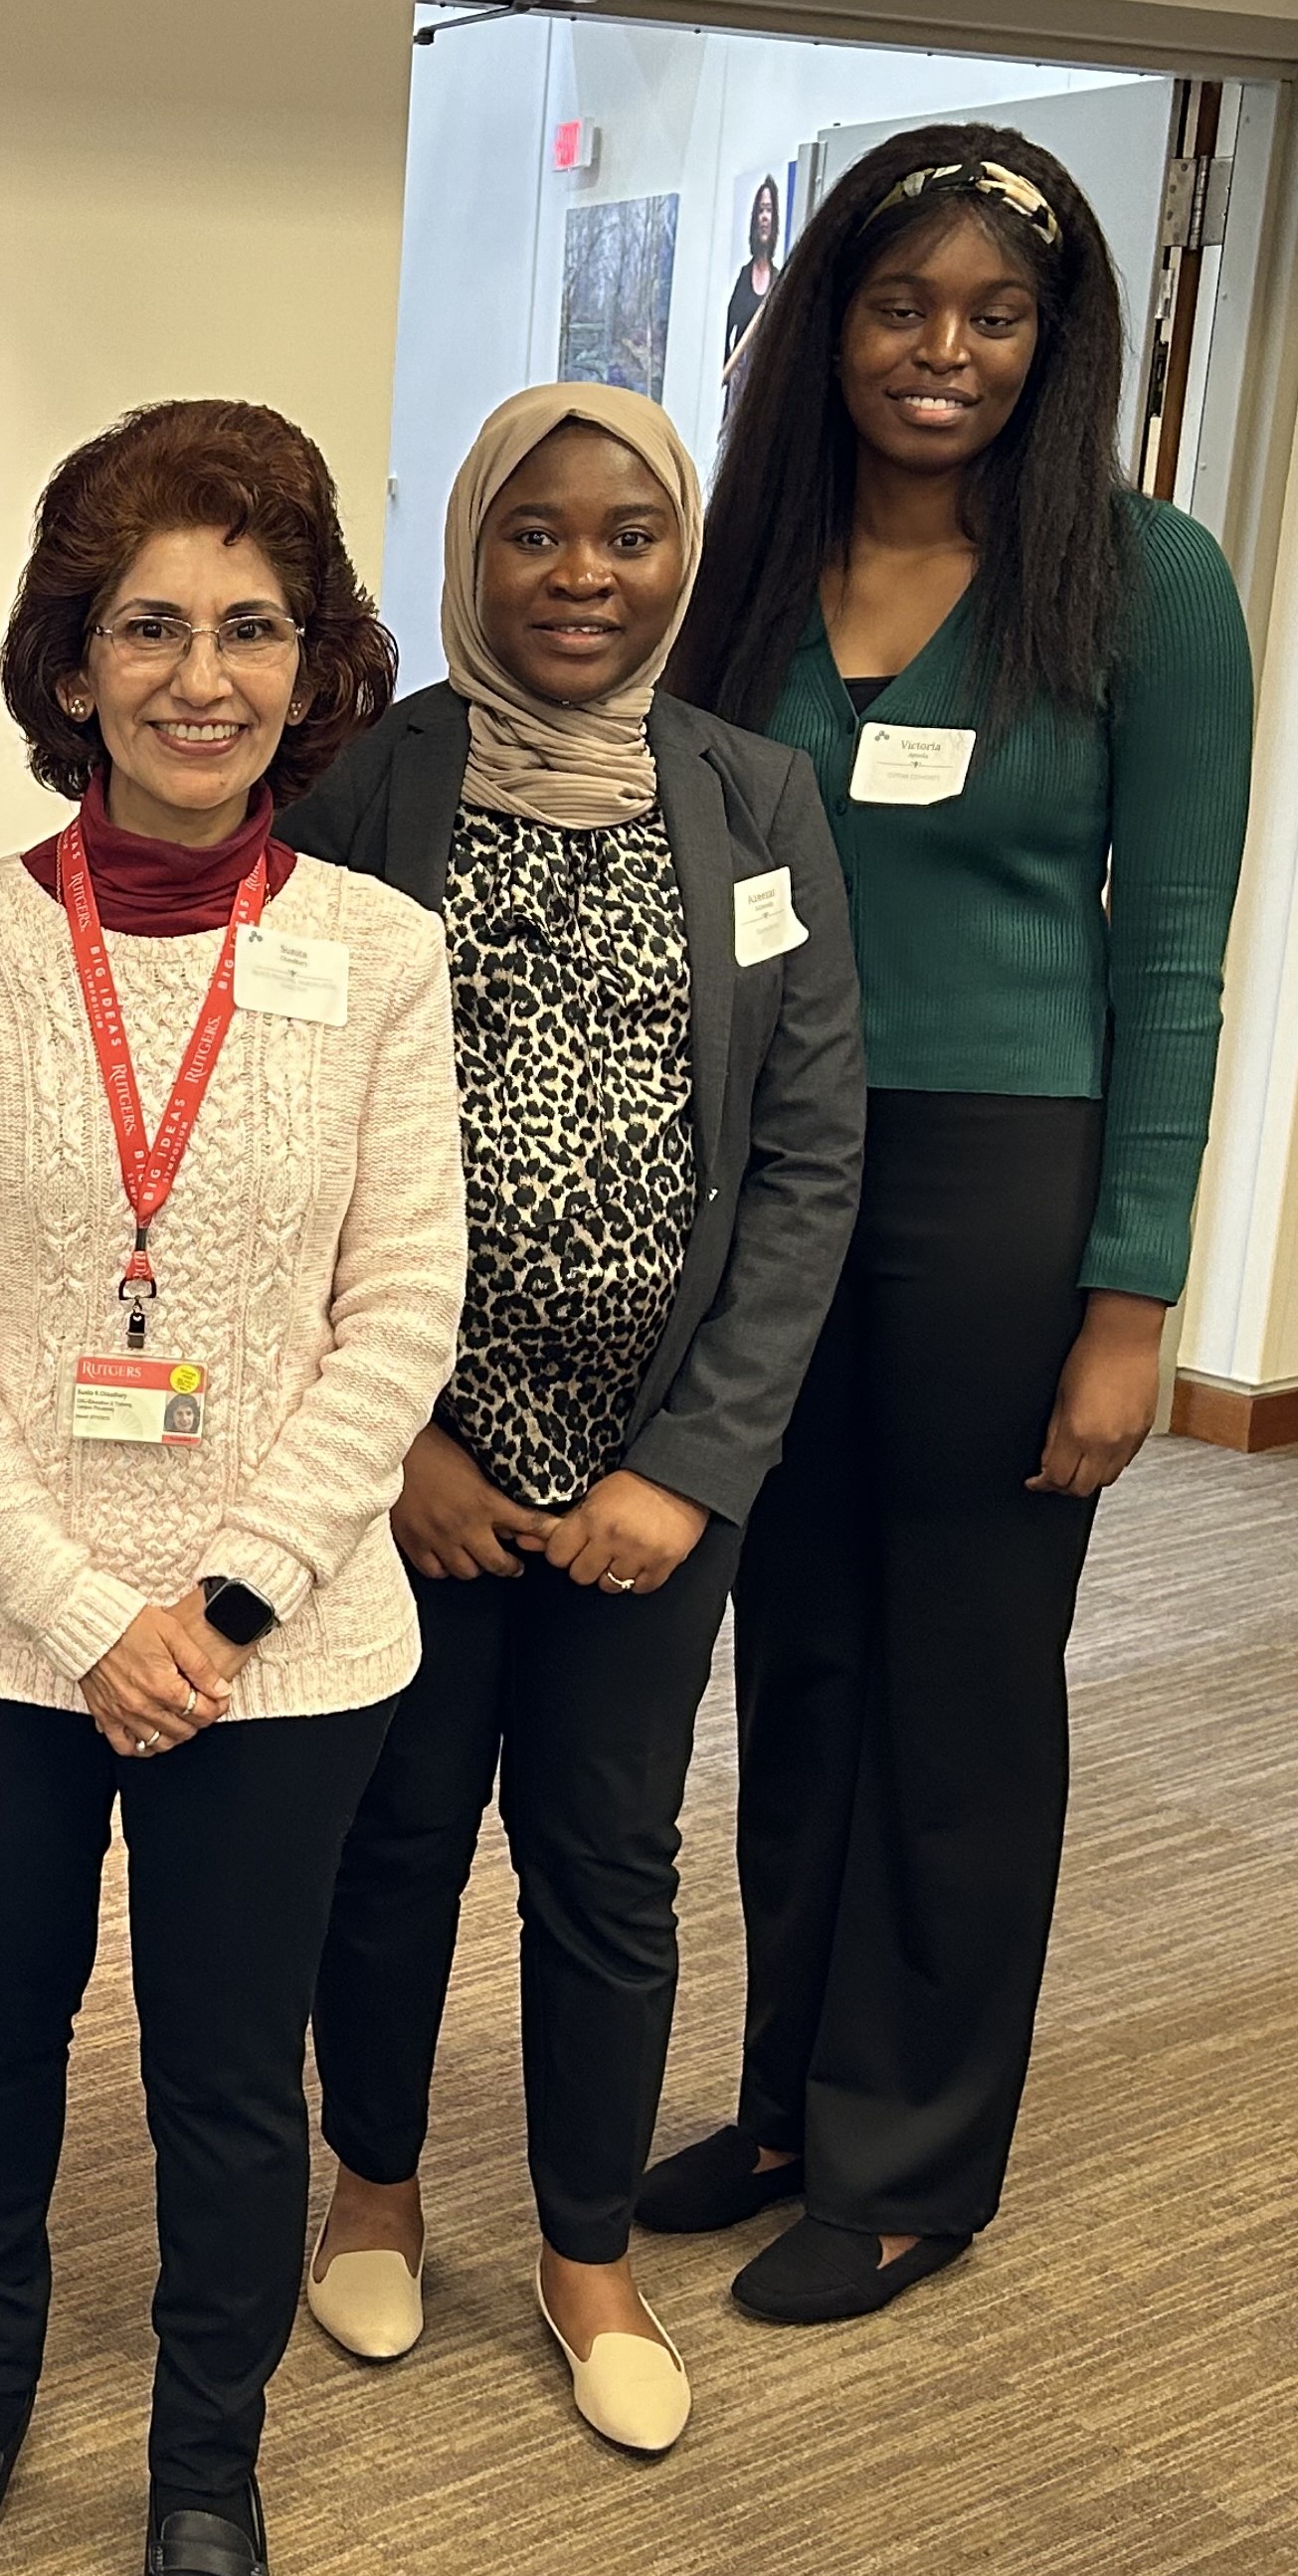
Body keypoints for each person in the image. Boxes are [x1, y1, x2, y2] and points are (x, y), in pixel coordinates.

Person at [0, 398, 463, 2576]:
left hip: (277, 1650)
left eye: (254, 626)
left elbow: (401, 1312)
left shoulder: (379, 959)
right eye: (151, 627)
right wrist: (81, 1606)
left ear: (314, 664)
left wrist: (214, 1601)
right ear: (74, 665)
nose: (204, 673)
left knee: (228, 2063)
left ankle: (209, 2457)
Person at [651, 127, 1253, 2320]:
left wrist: (1134, 1294)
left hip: (1006, 1176)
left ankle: (917, 2156)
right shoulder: (750, 573)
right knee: (793, 1651)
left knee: (964, 1671)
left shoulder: (1143, 578)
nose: (945, 352)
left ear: (1053, 339)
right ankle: (796, 2094)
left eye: (994, 314)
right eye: (903, 305)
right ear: (831, 322)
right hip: (773, 1174)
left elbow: (1173, 947)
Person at [280, 384, 863, 2457]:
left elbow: (807, 1157)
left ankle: (586, 2246)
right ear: (472, 546)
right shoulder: (367, 784)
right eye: (536, 531)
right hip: (406, 1463)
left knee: (609, 1861)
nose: (584, 573)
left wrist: (691, 1467)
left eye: (627, 531)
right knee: (396, 1842)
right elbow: (294, 1143)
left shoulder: (760, 799)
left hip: (645, 1477)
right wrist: (394, 1445)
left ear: (678, 550)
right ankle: (370, 2186)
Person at [722, 171, 785, 435]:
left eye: (769, 210)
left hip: (766, 387)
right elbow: (729, 331)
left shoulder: (780, 281)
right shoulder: (743, 277)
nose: (764, 218)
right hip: (739, 387)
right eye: (760, 210)